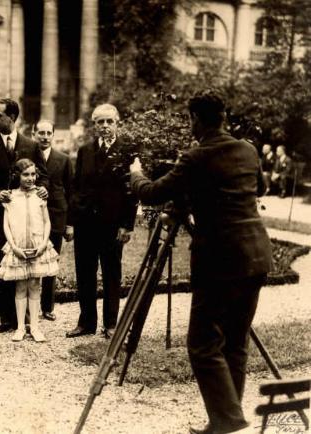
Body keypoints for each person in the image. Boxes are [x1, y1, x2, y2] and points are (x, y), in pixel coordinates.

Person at [129, 90, 272, 434]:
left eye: (189, 118)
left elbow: (151, 193)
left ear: (195, 119)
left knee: (203, 343)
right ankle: (227, 418)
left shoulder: (195, 157)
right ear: (224, 117)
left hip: (220, 260)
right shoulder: (247, 149)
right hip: (255, 256)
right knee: (234, 341)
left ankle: (228, 420)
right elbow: (261, 188)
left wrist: (136, 172)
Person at [0, 98, 48, 333]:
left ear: (12, 118)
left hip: (26, 220)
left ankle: (27, 316)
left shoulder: (31, 145)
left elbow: (44, 176)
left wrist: (42, 188)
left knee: (27, 264)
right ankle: (5, 316)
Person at [66, 103, 138, 339]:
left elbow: (131, 192)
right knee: (85, 273)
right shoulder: (85, 151)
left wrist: (127, 225)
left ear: (117, 123)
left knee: (111, 274)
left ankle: (110, 324)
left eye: (109, 121)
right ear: (94, 125)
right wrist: (72, 220)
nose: (105, 126)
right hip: (86, 224)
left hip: (112, 225)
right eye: (100, 122)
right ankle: (86, 322)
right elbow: (76, 187)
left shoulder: (127, 151)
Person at [0, 159, 59, 342]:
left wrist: (43, 243)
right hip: (19, 246)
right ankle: (21, 327)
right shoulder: (11, 197)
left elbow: (47, 222)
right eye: (26, 174)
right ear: (17, 175)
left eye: (33, 174)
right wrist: (14, 247)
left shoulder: (40, 195)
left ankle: (36, 327)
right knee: (21, 286)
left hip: (37, 245)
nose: (30, 178)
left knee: (34, 285)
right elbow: (6, 225)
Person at [32, 119, 73, 321]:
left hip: (56, 217)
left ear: (53, 135)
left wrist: (69, 224)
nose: (45, 137)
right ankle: (29, 305)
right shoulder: (28, 157)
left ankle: (47, 307)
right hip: (32, 218)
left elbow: (71, 191)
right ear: (34, 134)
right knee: (30, 261)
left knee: (51, 262)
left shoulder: (63, 159)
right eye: (41, 133)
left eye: (49, 133)